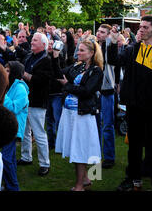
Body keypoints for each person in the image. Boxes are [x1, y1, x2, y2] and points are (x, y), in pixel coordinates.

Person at [107, 15, 152, 192]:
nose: (140, 30)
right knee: (133, 147)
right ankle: (132, 179)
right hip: (134, 107)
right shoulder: (132, 49)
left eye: (145, 27)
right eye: (140, 27)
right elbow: (114, 61)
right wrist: (112, 42)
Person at [54, 39, 104, 191]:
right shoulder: (79, 66)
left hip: (83, 113)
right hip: (70, 112)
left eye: (82, 50)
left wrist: (67, 86)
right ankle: (86, 179)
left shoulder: (96, 71)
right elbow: (60, 74)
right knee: (76, 147)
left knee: (81, 149)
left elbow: (87, 91)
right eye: (78, 49)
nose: (78, 53)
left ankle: (79, 186)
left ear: (91, 53)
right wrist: (55, 57)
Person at [18, 32, 52, 176]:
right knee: (25, 131)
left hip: (37, 101)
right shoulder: (29, 56)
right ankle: (26, 157)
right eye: (32, 40)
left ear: (43, 44)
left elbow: (41, 80)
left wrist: (23, 74)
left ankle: (45, 163)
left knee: (39, 133)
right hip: (25, 100)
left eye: (35, 41)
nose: (31, 42)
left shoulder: (46, 60)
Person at [2, 61, 29, 191]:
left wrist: (2, 93)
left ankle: (13, 187)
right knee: (10, 159)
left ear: (14, 73)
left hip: (13, 127)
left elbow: (13, 108)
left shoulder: (20, 89)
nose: (4, 72)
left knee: (6, 159)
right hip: (4, 126)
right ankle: (9, 185)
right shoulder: (8, 85)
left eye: (8, 71)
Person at [95, 24, 118, 169]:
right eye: (98, 31)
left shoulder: (109, 47)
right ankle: (95, 153)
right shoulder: (94, 46)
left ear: (108, 34)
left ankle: (109, 157)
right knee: (95, 125)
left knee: (107, 125)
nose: (99, 33)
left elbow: (114, 61)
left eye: (103, 32)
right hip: (94, 91)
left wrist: (112, 41)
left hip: (107, 90)